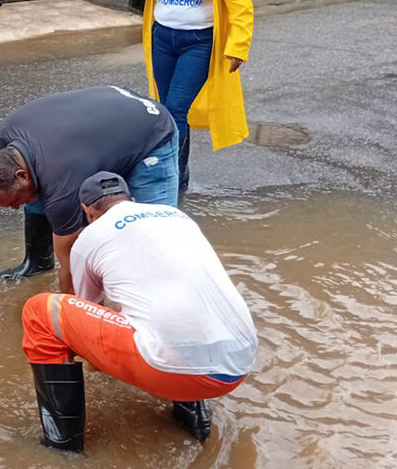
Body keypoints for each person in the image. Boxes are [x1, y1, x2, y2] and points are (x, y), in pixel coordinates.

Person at [21, 172, 257, 451]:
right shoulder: (175, 216)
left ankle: (61, 443)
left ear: (87, 211)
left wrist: (99, 365)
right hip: (240, 363)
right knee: (168, 300)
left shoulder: (89, 237)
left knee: (41, 311)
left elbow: (87, 310)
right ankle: (192, 415)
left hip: (174, 371)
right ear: (130, 199)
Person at [0, 86, 178, 284]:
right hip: (108, 111)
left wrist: (69, 317)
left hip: (150, 128)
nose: (15, 208)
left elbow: (72, 265)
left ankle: (158, 287)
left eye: (13, 202)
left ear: (21, 175)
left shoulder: (61, 185)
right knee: (35, 192)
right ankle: (38, 262)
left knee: (151, 232)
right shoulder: (6, 138)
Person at [125, 0, 254, 195]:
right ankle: (176, 172)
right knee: (165, 109)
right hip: (162, 38)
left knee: (176, 110)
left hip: (198, 42)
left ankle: (174, 180)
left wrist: (238, 44)